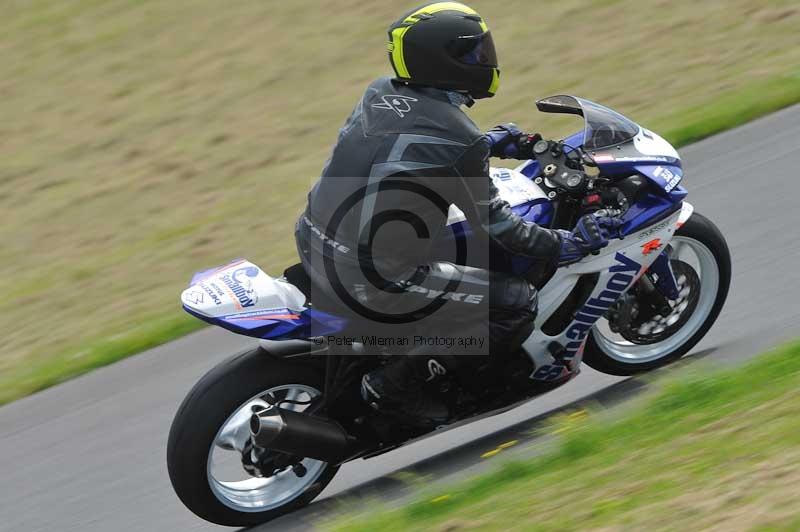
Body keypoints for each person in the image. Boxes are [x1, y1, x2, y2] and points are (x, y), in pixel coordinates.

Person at [296, 2, 616, 425]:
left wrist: (492, 142)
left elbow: (410, 143)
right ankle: (393, 384)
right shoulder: (460, 138)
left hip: (313, 238)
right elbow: (504, 228)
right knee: (516, 303)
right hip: (374, 274)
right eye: (473, 53)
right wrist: (569, 242)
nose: (484, 60)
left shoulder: (379, 92)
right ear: (441, 60)